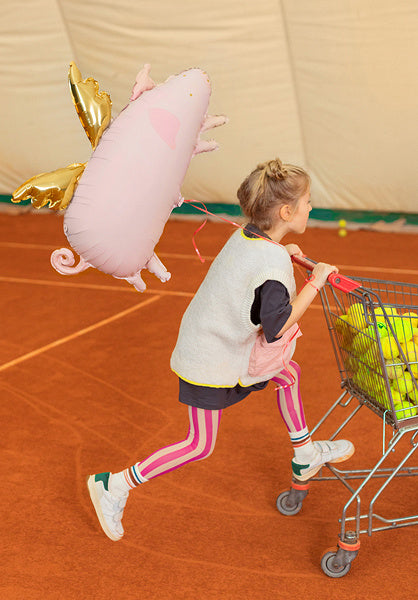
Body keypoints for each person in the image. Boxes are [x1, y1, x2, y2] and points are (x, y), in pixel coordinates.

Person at [87, 158, 355, 541]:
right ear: (285, 211)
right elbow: (277, 327)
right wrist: (316, 281)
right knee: (199, 444)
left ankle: (305, 453)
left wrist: (283, 248)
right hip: (210, 359)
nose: (311, 206)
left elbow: (261, 266)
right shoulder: (271, 262)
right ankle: (114, 484)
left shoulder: (251, 236)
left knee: (288, 374)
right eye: (308, 201)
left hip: (211, 343)